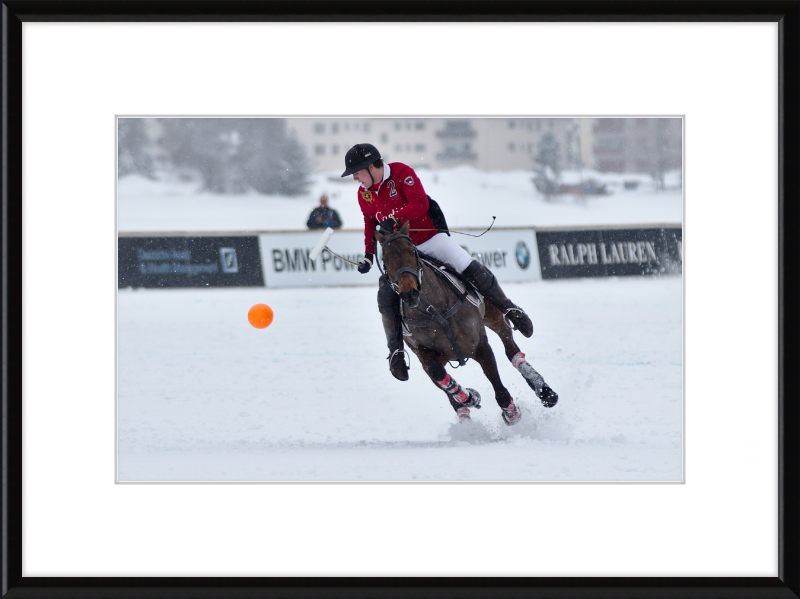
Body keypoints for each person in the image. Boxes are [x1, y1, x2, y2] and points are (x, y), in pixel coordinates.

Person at [341, 143, 534, 383]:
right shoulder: (364, 193)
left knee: (463, 262)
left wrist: (395, 219)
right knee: (385, 292)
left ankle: (510, 308)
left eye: (357, 173)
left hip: (429, 240)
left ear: (372, 167)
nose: (355, 179)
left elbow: (420, 203)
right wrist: (368, 255)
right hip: (401, 254)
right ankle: (396, 353)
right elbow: (370, 221)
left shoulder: (401, 173)